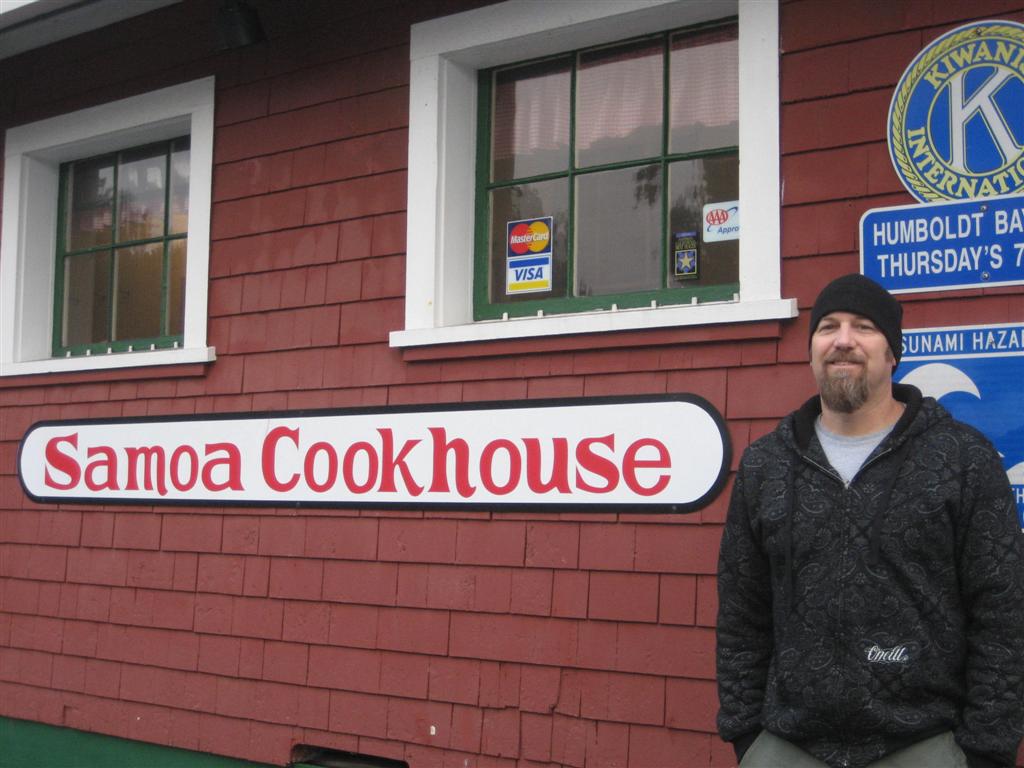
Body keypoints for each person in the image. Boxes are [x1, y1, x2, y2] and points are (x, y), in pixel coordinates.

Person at [716, 273, 1024, 768]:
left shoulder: (961, 459)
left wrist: (985, 750)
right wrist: (747, 735)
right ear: (811, 351)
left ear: (892, 353)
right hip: (788, 744)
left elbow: (1004, 614)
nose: (843, 340)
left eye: (863, 326)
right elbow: (741, 612)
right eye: (828, 327)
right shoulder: (765, 465)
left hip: (924, 742)